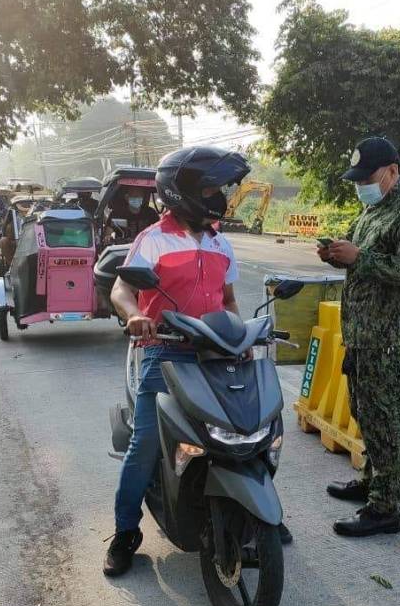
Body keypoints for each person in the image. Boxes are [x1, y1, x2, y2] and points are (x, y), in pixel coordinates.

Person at [103, 145, 292, 577]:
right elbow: (120, 290)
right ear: (182, 192)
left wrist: (241, 335)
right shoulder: (153, 239)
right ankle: (126, 532)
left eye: (218, 188)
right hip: (165, 350)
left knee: (253, 429)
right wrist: (135, 317)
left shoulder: (221, 241)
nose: (217, 197)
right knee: (145, 443)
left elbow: (227, 300)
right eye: (209, 188)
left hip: (215, 351)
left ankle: (255, 510)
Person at [317, 136, 400, 537]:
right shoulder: (371, 210)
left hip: (384, 337)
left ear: (392, 172)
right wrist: (336, 254)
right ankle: (372, 482)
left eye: (366, 177)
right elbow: (357, 258)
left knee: (386, 420)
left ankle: (386, 508)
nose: (360, 185)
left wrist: (360, 259)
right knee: (366, 413)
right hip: (361, 333)